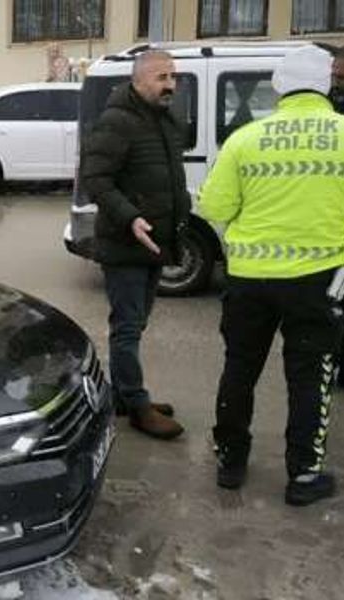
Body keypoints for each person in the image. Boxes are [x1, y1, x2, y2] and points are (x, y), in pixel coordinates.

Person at [199, 45, 344, 506]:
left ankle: (230, 461)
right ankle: (303, 476)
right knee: (310, 374)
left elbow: (214, 207)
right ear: (328, 84)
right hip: (318, 279)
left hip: (249, 279)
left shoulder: (245, 138)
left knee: (240, 367)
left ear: (278, 86)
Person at [80, 50, 189, 440]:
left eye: (173, 76)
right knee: (127, 327)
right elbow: (95, 178)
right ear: (138, 79)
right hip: (125, 243)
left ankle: (125, 395)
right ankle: (138, 406)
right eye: (161, 77)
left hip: (155, 243)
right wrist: (130, 217)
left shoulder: (163, 119)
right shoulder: (117, 121)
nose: (170, 85)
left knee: (136, 322)